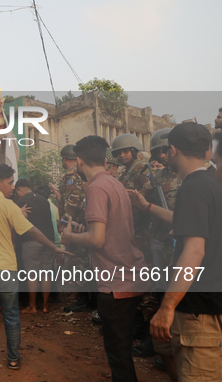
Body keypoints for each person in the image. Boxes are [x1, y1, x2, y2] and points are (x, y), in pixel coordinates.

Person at [0, 164, 70, 373]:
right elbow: (32, 230)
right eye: (10, 183)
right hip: (7, 268)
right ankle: (14, 360)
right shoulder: (10, 206)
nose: (12, 187)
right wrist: (53, 246)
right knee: (11, 315)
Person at [132, 124, 222, 381]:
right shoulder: (211, 183)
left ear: (172, 150)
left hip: (199, 312)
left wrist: (167, 307)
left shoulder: (192, 188)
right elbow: (187, 220)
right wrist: (148, 206)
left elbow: (194, 251)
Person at [61, 135, 150, 382]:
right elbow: (109, 231)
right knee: (121, 351)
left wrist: (70, 237)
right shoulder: (115, 183)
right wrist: (84, 233)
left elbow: (98, 241)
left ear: (79, 161)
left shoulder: (96, 188)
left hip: (116, 281)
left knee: (118, 354)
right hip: (129, 273)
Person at [56, 144, 91, 312]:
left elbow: (73, 199)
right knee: (80, 259)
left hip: (75, 225)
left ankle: (80, 296)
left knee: (77, 259)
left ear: (64, 160)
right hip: (81, 223)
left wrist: (65, 225)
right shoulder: (81, 174)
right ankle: (81, 294)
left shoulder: (71, 176)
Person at [14, 179, 56, 314]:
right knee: (46, 273)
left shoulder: (20, 203)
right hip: (49, 241)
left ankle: (32, 306)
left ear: (20, 189)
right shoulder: (44, 200)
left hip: (31, 242)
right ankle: (45, 306)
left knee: (32, 274)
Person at [111, 134, 152, 264]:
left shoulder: (142, 169)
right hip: (129, 228)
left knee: (144, 267)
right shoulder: (125, 173)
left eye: (126, 151)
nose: (122, 155)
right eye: (118, 153)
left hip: (142, 229)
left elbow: (150, 193)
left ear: (134, 151)